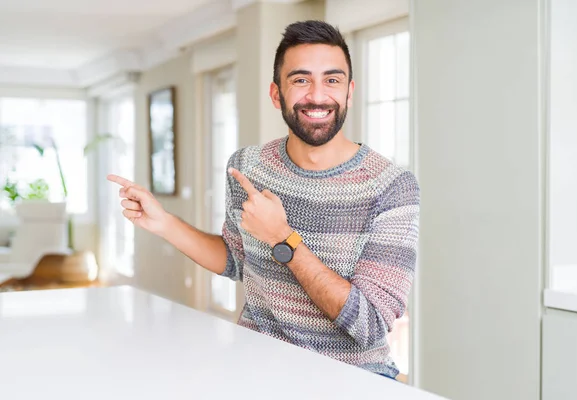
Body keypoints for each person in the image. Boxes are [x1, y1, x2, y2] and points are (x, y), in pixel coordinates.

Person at [108, 20, 419, 381]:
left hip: (352, 379)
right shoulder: (247, 167)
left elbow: (370, 325)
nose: (318, 95)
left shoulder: (392, 187)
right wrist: (164, 223)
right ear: (277, 94)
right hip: (255, 367)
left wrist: (283, 239)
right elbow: (237, 260)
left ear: (349, 92)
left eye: (331, 80)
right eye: (301, 80)